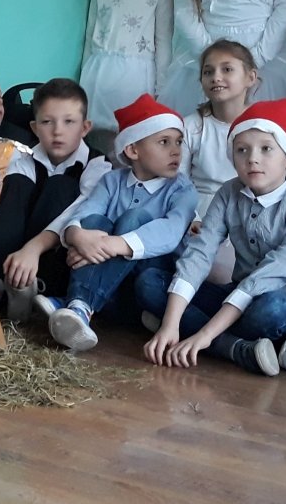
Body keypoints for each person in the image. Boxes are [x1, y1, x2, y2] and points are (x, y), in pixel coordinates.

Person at [137, 99, 286, 376]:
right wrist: (170, 323)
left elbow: (268, 277)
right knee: (149, 283)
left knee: (274, 309)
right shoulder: (229, 193)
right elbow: (200, 253)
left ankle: (207, 337)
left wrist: (204, 334)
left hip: (282, 302)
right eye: (241, 150)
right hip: (235, 296)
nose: (252, 158)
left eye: (266, 149)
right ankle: (236, 347)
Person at [33, 94, 197, 351]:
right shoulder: (112, 181)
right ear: (132, 150)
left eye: (178, 141)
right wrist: (77, 236)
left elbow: (171, 232)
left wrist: (113, 244)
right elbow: (87, 212)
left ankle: (76, 303)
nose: (176, 150)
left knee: (134, 218)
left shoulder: (182, 189)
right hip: (111, 290)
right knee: (94, 221)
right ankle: (79, 308)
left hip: (146, 282)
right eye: (164, 142)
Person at [0, 79, 111, 322]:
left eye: (69, 122)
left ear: (85, 127)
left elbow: (79, 212)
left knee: (61, 186)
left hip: (52, 260)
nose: (57, 131)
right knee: (14, 184)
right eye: (47, 122)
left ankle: (32, 291)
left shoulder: (97, 166)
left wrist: (34, 248)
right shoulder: (23, 157)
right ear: (34, 127)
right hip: (14, 257)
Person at [78, 0, 173, 156]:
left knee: (130, 140)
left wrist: (161, 90)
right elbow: (90, 37)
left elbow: (164, 43)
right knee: (96, 144)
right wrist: (83, 81)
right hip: (100, 74)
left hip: (137, 77)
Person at [179, 39, 259, 282]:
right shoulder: (192, 126)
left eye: (227, 69)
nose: (216, 77)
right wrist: (191, 218)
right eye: (208, 72)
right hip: (198, 215)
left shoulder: (263, 126)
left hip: (246, 214)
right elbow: (178, 182)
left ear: (250, 77)